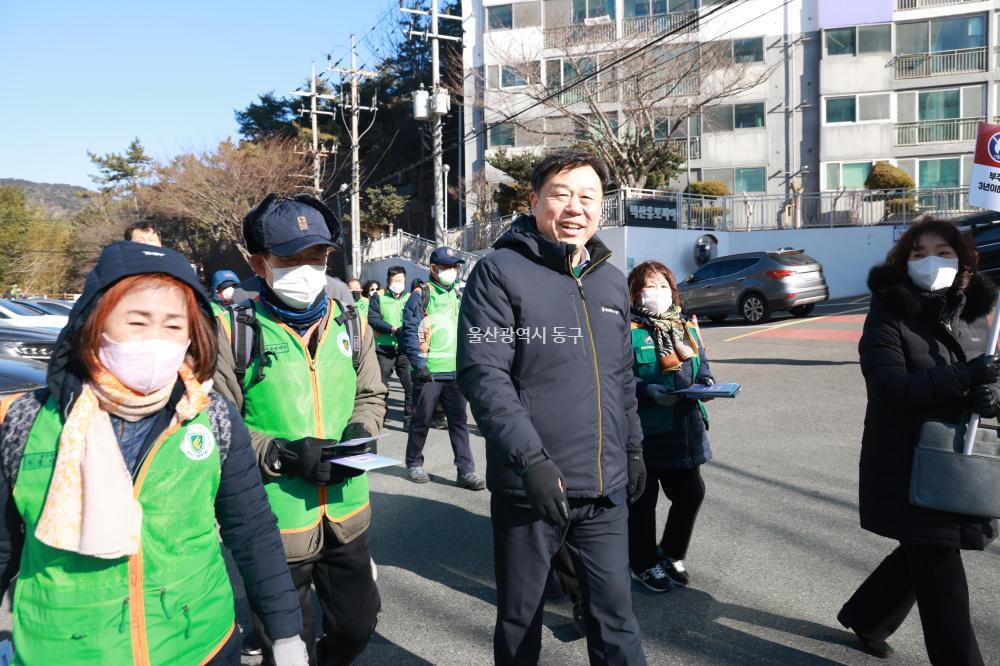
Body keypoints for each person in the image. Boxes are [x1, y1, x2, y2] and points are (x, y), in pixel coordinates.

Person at [0, 241, 307, 665]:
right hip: (62, 651)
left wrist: (286, 631)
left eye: (172, 326)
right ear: (95, 322)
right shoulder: (27, 421)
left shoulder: (208, 415)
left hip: (199, 645)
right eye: (138, 322)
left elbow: (252, 531)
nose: (155, 341)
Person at [458, 149, 647, 665]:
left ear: (602, 208)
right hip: (531, 489)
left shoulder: (611, 278)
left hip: (603, 491)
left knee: (616, 617)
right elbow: (484, 373)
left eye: (588, 197)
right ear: (534, 200)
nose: (574, 208)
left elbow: (621, 375)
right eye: (561, 195)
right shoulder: (499, 271)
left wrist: (633, 446)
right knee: (521, 619)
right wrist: (532, 462)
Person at [212, 193, 387, 666]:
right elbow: (216, 422)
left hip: (348, 517)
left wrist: (359, 429)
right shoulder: (232, 329)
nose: (307, 269)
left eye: (318, 256)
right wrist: (281, 454)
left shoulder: (352, 319)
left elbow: (372, 396)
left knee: (357, 627)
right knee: (288, 651)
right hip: (273, 525)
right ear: (260, 263)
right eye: (290, 258)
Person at [839, 218, 998, 664]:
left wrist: (991, 396)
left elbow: (993, 376)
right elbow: (890, 386)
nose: (932, 262)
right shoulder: (887, 315)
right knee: (939, 565)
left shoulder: (977, 316)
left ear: (963, 263)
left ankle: (867, 615)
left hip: (956, 458)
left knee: (924, 548)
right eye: (919, 253)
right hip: (904, 458)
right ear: (903, 261)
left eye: (944, 253)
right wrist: (965, 377)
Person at [626, 261, 714, 593]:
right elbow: (617, 375)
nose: (658, 293)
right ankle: (643, 562)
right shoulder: (625, 328)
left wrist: (706, 381)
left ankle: (671, 553)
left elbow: (700, 361)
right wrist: (646, 391)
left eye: (664, 286)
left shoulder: (682, 324)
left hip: (685, 428)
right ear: (636, 291)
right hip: (645, 431)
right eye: (650, 286)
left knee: (691, 493)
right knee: (642, 503)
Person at [401, 248, 485, 491]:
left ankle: (466, 471)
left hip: (456, 372)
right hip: (430, 372)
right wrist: (419, 365)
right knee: (421, 420)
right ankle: (414, 462)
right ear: (433, 268)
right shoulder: (421, 295)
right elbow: (410, 330)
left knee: (459, 423)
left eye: (455, 267)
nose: (452, 271)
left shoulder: (458, 295)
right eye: (447, 267)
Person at [368, 266, 414, 427]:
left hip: (404, 350)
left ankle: (410, 421)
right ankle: (379, 418)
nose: (397, 283)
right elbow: (373, 319)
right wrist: (391, 329)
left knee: (411, 386)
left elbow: (416, 318)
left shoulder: (410, 297)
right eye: (394, 280)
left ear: (405, 280)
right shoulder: (378, 296)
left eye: (400, 280)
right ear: (388, 280)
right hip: (383, 349)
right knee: (381, 387)